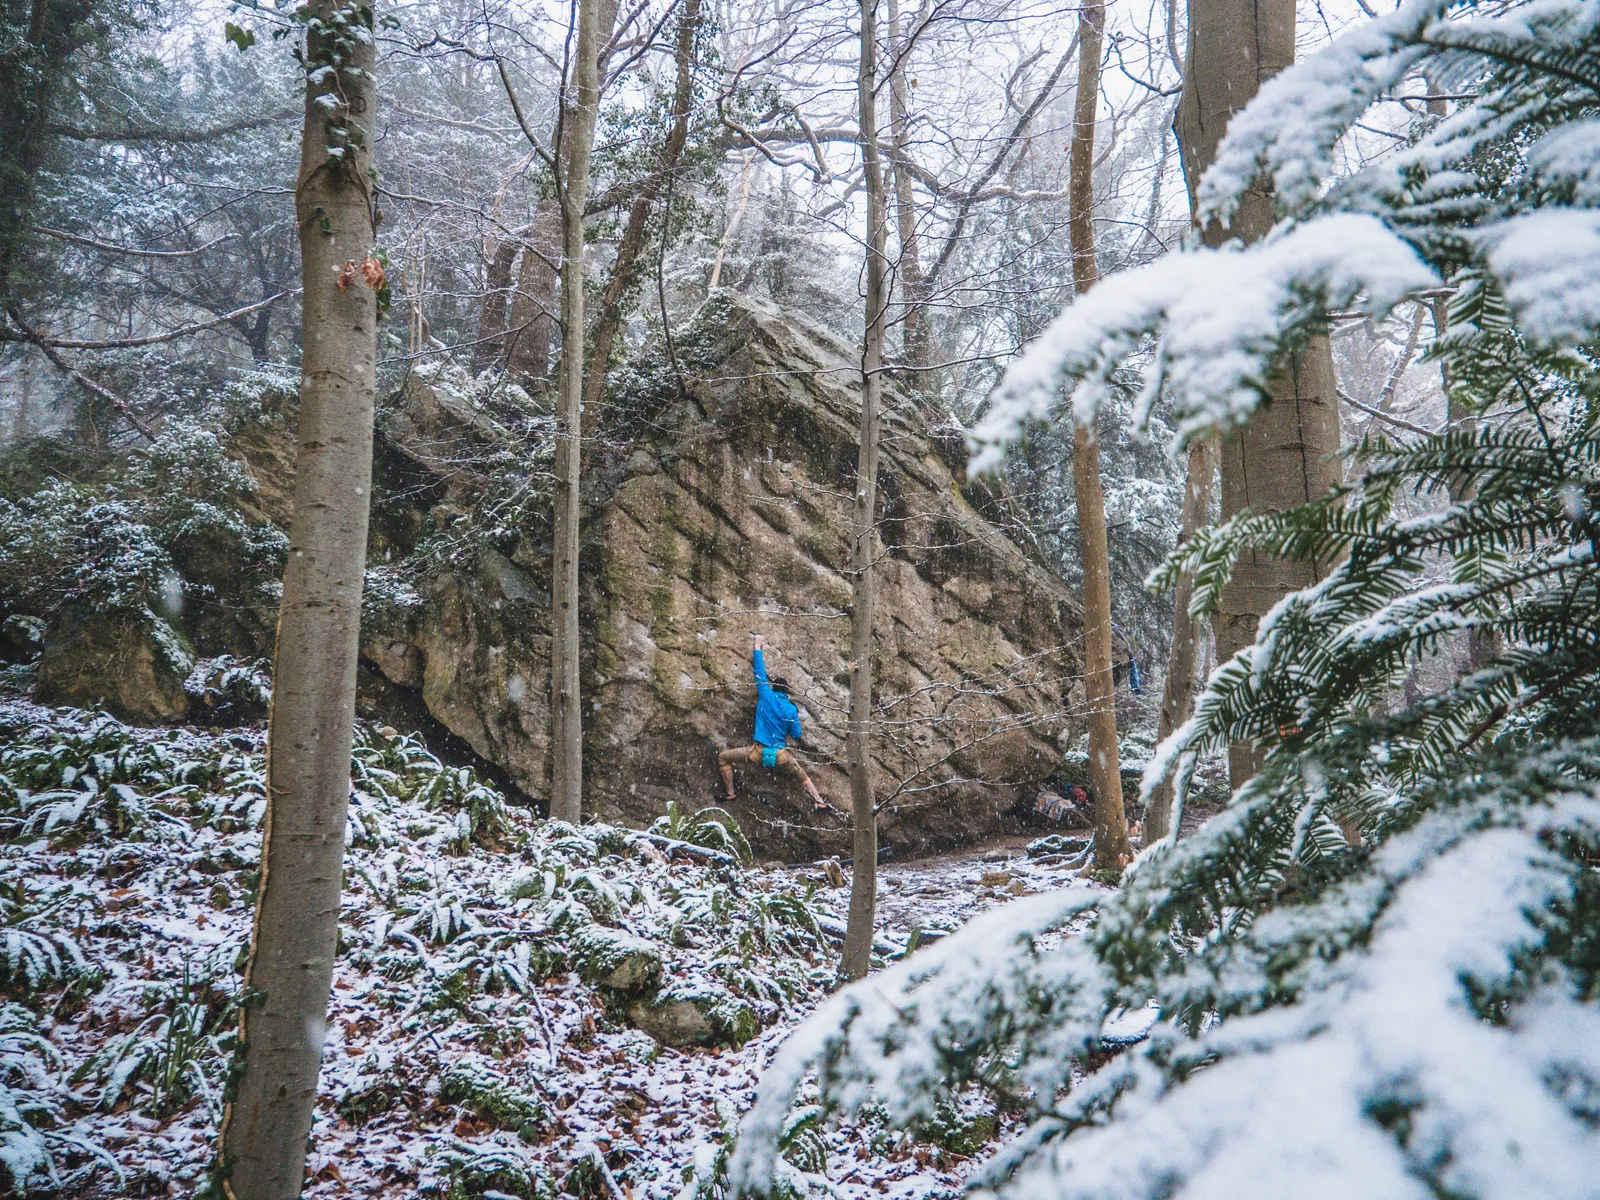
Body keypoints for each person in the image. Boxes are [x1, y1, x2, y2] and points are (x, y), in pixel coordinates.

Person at [717, 634, 830, 811]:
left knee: (723, 757)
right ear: (787, 692)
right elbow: (797, 734)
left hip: (757, 752)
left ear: (774, 688)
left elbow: (759, 672)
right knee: (801, 775)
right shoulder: (791, 709)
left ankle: (731, 792)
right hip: (780, 755)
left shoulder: (765, 695)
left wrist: (757, 646)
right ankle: (819, 800)